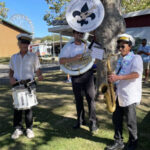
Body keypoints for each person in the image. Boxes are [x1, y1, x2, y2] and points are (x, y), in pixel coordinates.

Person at [106, 34, 143, 150]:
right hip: (118, 95)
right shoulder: (120, 60)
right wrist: (113, 80)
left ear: (130, 46)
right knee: (116, 120)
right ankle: (118, 142)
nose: (120, 48)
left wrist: (118, 78)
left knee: (130, 122)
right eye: (119, 46)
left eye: (123, 46)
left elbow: (136, 74)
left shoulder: (136, 58)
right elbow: (118, 75)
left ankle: (133, 143)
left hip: (129, 96)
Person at [59, 30, 98, 133]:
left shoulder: (87, 45)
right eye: (77, 33)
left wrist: (96, 56)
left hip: (88, 74)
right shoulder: (68, 47)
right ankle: (80, 120)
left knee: (91, 98)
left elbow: (97, 57)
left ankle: (93, 122)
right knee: (78, 99)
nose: (79, 35)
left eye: (81, 33)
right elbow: (61, 61)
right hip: (75, 75)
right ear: (73, 34)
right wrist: (73, 58)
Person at [9, 33, 43, 139]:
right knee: (17, 108)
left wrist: (40, 75)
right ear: (18, 44)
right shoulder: (13, 57)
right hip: (17, 85)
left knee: (28, 108)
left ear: (28, 45)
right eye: (23, 43)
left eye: (27, 43)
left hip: (29, 84)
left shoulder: (33, 56)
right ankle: (18, 129)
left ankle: (29, 129)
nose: (24, 45)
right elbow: (11, 70)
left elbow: (37, 69)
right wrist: (11, 78)